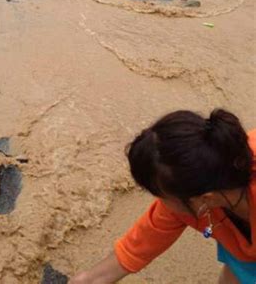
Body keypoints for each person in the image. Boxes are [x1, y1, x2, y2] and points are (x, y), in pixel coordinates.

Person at [70, 109, 256, 284]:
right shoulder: (201, 181)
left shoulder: (196, 192)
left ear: (205, 199)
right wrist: (86, 280)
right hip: (241, 247)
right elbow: (136, 247)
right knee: (237, 270)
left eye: (160, 195)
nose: (160, 204)